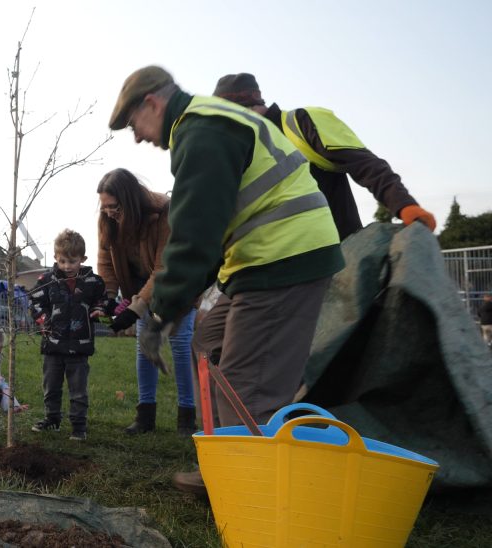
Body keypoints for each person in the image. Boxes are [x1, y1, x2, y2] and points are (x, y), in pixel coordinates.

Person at [108, 66, 345, 495]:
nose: (138, 137)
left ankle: (241, 485)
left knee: (243, 381)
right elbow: (211, 237)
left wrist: (159, 318)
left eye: (133, 125)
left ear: (152, 103)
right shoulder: (208, 122)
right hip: (260, 261)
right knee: (208, 345)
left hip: (283, 258)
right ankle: (224, 451)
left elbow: (194, 238)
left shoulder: (202, 132)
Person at [212, 73, 436, 241]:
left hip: (333, 258)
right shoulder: (243, 151)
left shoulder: (300, 122)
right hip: (272, 266)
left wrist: (404, 204)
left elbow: (365, 164)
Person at [96, 168, 198, 435]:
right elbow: (105, 259)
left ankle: (187, 417)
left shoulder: (165, 212)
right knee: (144, 349)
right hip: (140, 290)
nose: (108, 213)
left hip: (176, 288)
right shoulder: (108, 219)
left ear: (129, 200)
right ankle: (145, 417)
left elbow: (163, 267)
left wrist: (134, 310)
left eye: (114, 207)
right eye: (104, 207)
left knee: (180, 346)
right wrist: (108, 298)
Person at [28, 229, 108, 441]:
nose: (67, 266)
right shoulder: (46, 280)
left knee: (78, 391)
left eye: (72, 261)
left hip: (80, 347)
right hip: (53, 346)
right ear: (55, 257)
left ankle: (79, 427)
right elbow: (35, 302)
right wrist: (45, 322)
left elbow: (103, 302)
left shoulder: (94, 282)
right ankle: (52, 419)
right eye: (62, 261)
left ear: (82, 259)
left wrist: (100, 310)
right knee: (51, 387)